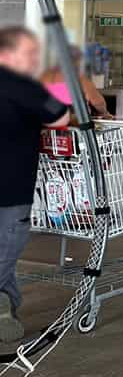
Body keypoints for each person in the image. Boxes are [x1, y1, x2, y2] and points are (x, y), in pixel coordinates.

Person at [0, 27, 70, 343]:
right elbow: (60, 117)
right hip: (10, 191)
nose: (34, 60)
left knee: (6, 260)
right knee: (5, 255)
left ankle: (5, 322)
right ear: (7, 53)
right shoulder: (21, 86)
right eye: (28, 53)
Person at [41, 45, 111, 119]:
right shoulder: (79, 79)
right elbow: (98, 102)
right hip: (74, 122)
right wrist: (105, 113)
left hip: (47, 121)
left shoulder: (45, 76)